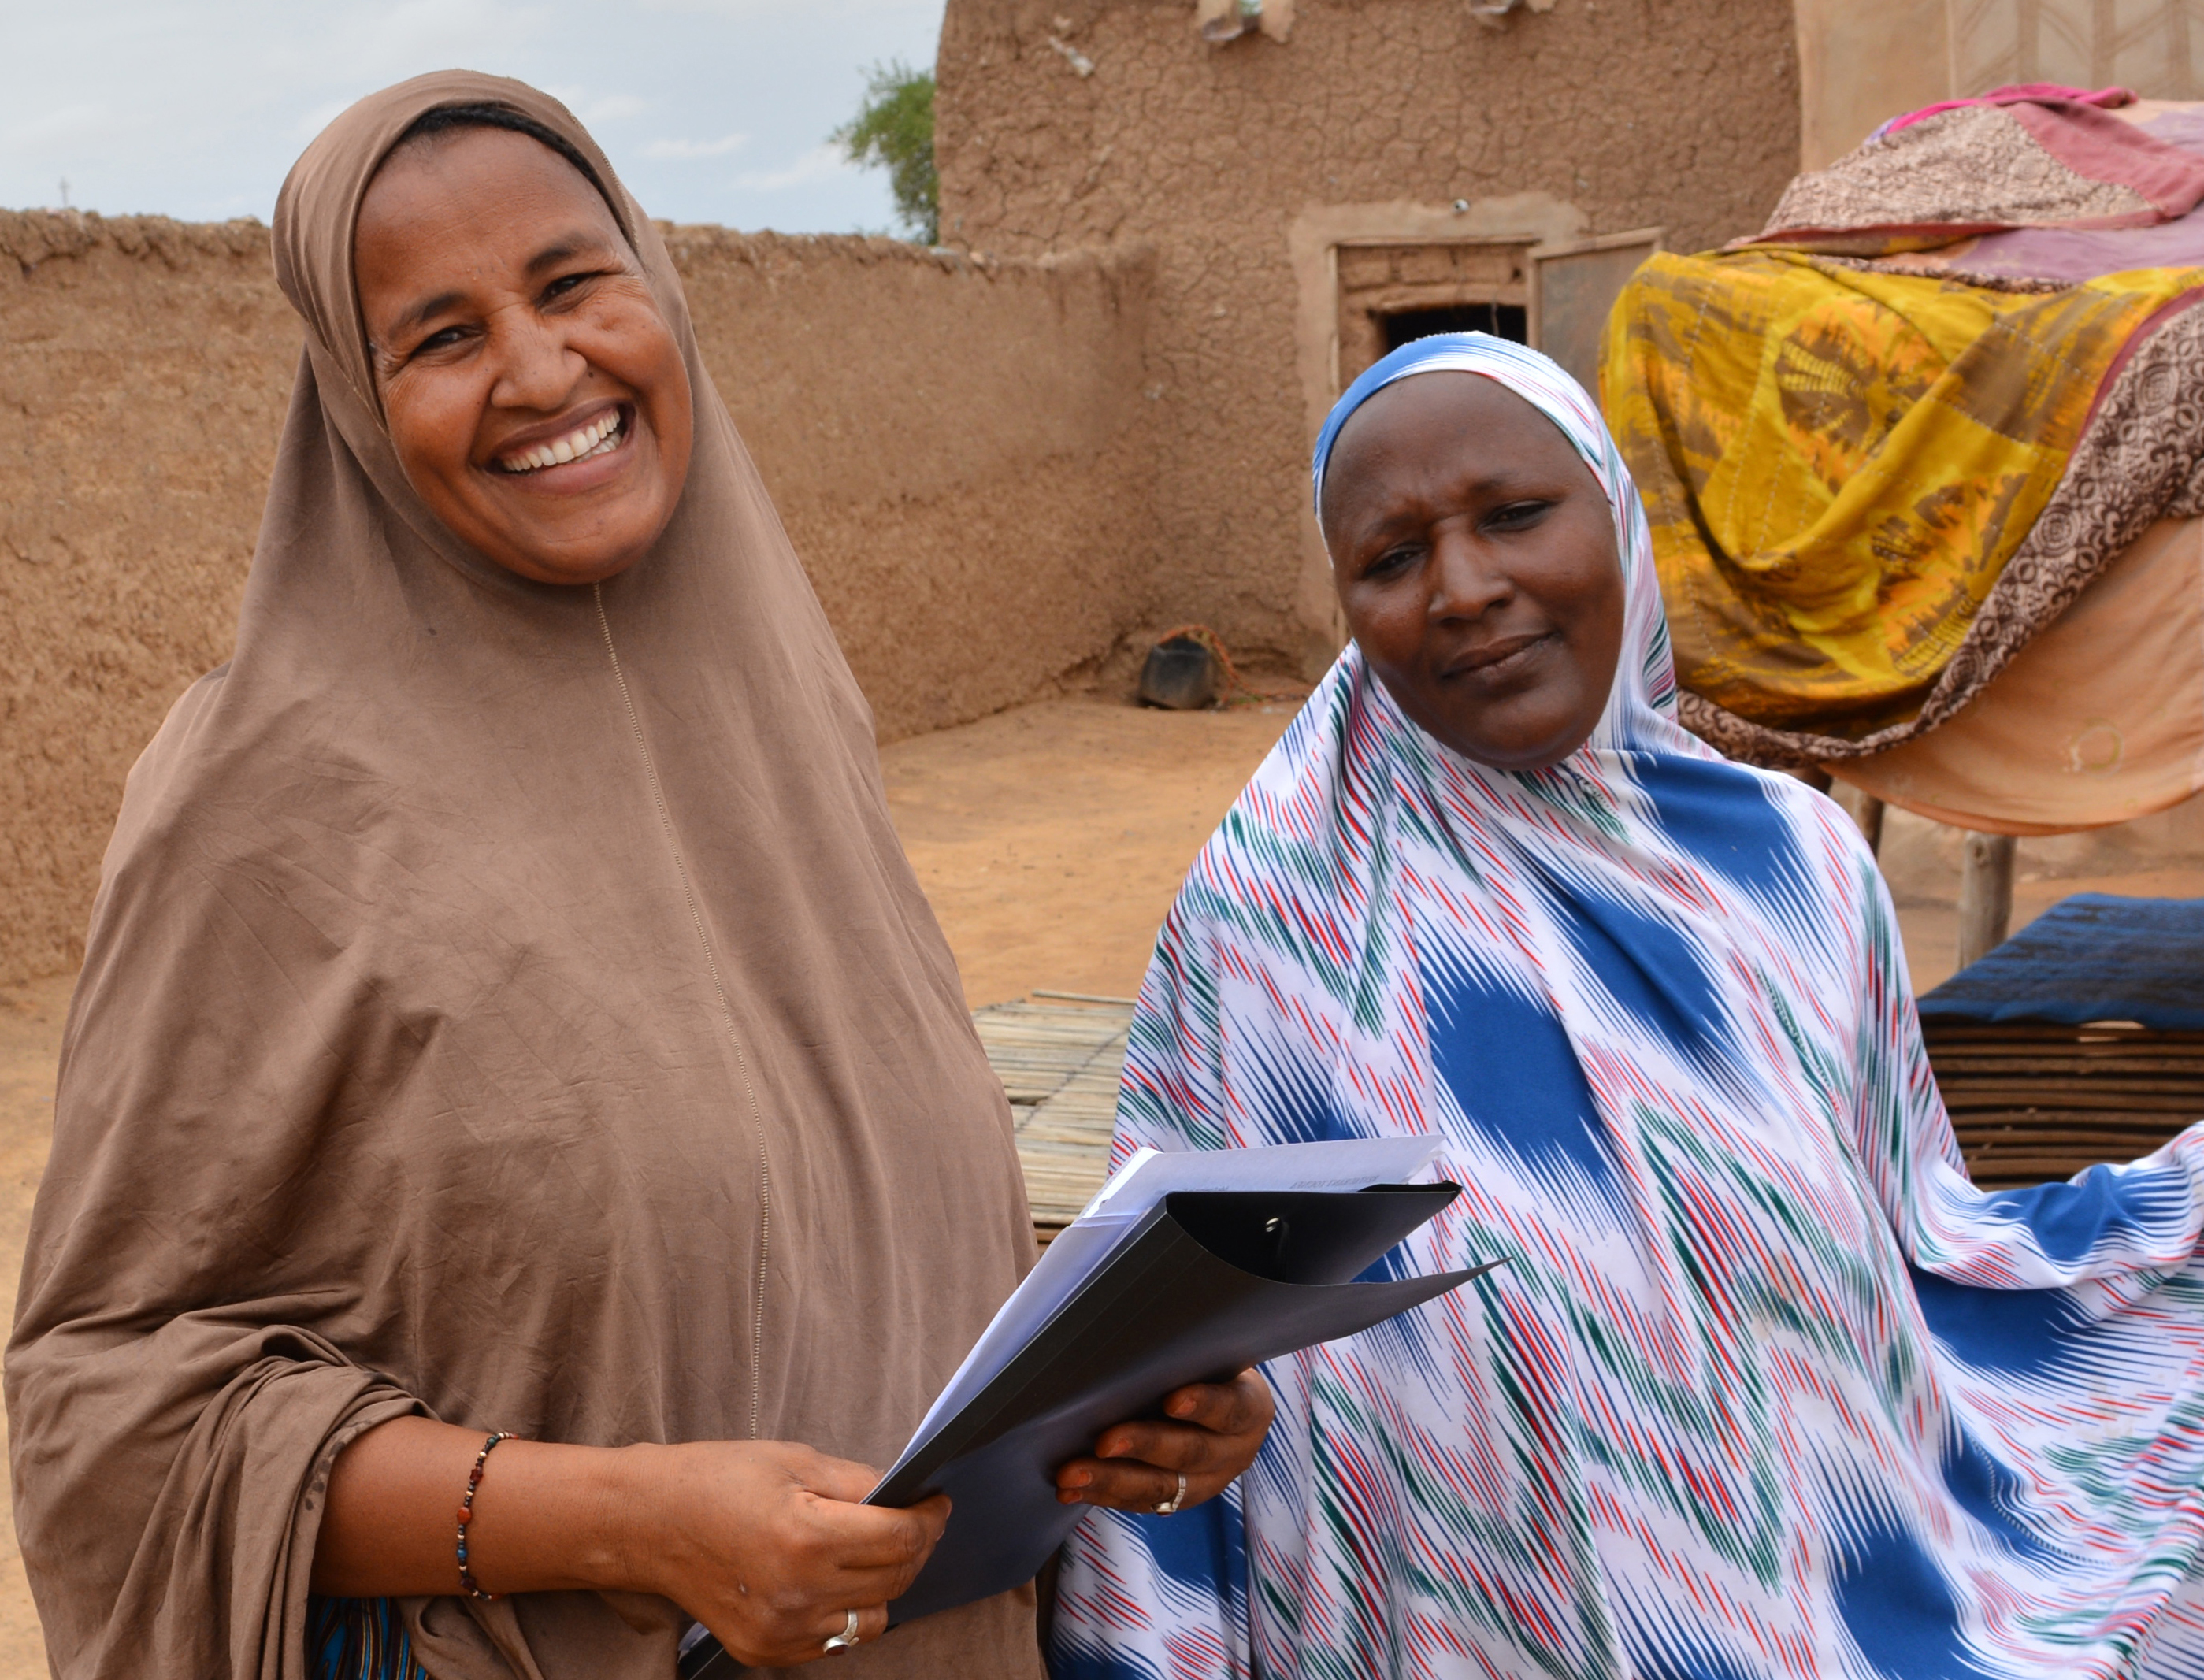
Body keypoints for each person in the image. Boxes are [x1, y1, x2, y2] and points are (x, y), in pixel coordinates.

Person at [3, 72, 1271, 1680]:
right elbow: (108, 1397)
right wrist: (621, 1522)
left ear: (659, 290)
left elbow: (802, 1221)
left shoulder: (780, 703)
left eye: (570, 284)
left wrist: (1108, 1385)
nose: (542, 372)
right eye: (441, 336)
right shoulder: (268, 806)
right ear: (355, 398)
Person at [1048, 334, 2204, 1679]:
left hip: (1807, 1601)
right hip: (1435, 1617)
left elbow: (1921, 1241)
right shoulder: (1271, 918)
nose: (1464, 587)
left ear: (1614, 518)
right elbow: (1158, 1363)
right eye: (1390, 554)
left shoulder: (1795, 869)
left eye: (1511, 513)